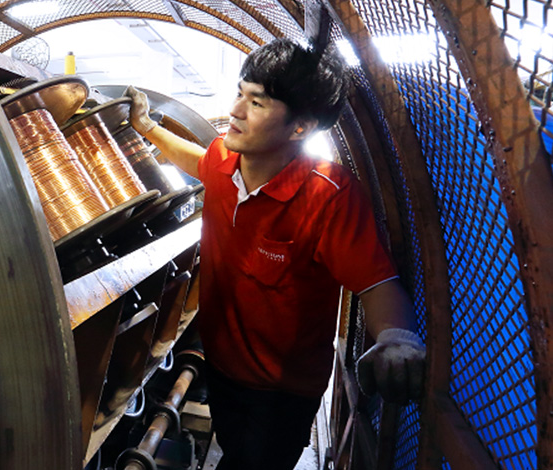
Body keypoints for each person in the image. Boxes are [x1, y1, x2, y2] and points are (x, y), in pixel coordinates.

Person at [125, 38, 426, 470]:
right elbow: (195, 160)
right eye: (240, 93)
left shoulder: (329, 196)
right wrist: (146, 126)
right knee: (231, 446)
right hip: (222, 366)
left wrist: (397, 338)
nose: (235, 111)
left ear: (300, 127)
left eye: (257, 103)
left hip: (279, 392)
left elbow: (375, 283)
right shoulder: (224, 160)